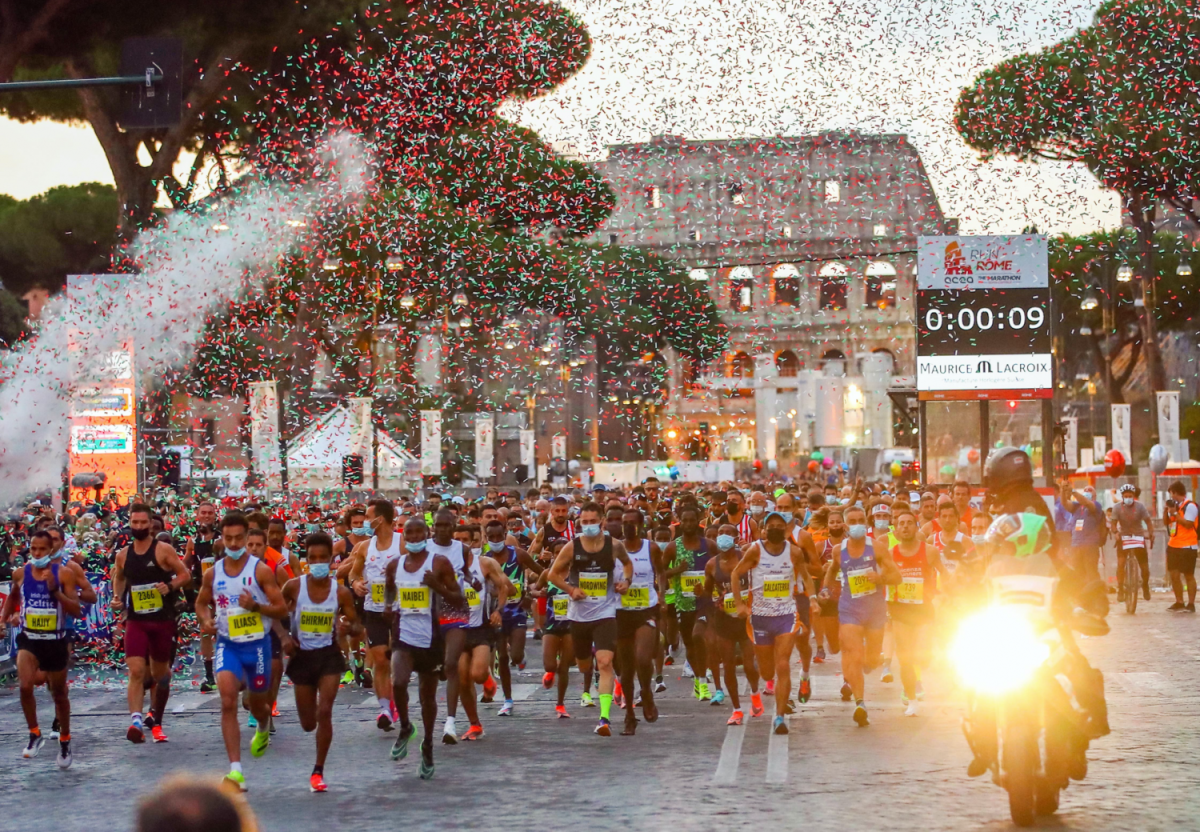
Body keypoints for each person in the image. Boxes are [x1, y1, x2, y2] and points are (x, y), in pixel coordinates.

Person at [194, 512, 289, 792]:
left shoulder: (260, 571)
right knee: (227, 701)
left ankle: (262, 726)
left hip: (257, 645)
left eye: (239, 538)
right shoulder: (214, 572)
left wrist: (256, 608)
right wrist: (205, 620)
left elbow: (282, 608)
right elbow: (201, 603)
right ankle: (236, 771)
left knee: (258, 705)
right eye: (228, 538)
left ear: (247, 538)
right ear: (222, 539)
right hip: (228, 644)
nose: (234, 543)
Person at [280, 532, 361, 792]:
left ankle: (318, 770)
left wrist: (347, 626)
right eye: (312, 558)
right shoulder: (293, 586)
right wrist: (284, 637)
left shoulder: (341, 592)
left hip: (328, 656)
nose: (317, 562)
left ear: (331, 560)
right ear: (306, 560)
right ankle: (313, 720)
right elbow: (275, 614)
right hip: (302, 658)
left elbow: (357, 625)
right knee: (308, 723)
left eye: (322, 558)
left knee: (325, 711)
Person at [385, 517, 463, 779]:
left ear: (427, 535)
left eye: (420, 533)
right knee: (398, 681)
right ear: (403, 536)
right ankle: (406, 726)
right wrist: (388, 606)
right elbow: (388, 590)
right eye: (410, 533)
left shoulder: (439, 564)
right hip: (403, 636)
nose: (415, 537)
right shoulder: (395, 565)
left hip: (431, 639)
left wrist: (436, 586)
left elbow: (459, 600)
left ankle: (428, 743)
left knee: (427, 697)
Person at [547, 501, 633, 736]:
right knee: (584, 664)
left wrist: (626, 582)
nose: (588, 526)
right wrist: (570, 589)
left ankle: (604, 718)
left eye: (592, 522)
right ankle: (593, 666)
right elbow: (552, 574)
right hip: (579, 616)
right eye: (583, 522)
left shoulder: (614, 545)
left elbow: (627, 564)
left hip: (605, 613)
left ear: (602, 522)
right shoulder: (572, 548)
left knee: (605, 663)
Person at [0, 530, 81, 768]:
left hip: (55, 640)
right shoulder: (20, 573)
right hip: (29, 639)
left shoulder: (64, 574)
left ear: (51, 550)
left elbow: (76, 609)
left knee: (59, 694)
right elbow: (13, 598)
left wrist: (55, 591)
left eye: (42, 550)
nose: (37, 554)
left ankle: (65, 739)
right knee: (25, 686)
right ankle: (34, 733)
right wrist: (4, 620)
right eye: (33, 549)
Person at [111, 503, 191, 744]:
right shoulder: (123, 554)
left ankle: (157, 718)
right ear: (129, 524)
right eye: (134, 522)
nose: (139, 526)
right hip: (137, 620)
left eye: (143, 523)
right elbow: (120, 577)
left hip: (161, 621)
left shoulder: (163, 550)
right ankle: (135, 720)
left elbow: (185, 574)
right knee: (136, 671)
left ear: (150, 525)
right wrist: (118, 598)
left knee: (160, 675)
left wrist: (170, 586)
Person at [731, 511, 817, 734]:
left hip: (786, 615)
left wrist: (813, 598)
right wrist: (740, 605)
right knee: (768, 673)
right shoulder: (755, 550)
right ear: (763, 530)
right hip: (760, 616)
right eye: (772, 526)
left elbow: (806, 577)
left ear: (787, 530)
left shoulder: (794, 552)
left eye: (780, 525)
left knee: (783, 664)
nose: (776, 529)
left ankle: (779, 717)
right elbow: (735, 573)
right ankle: (774, 694)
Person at [821, 504, 900, 727]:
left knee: (872, 659)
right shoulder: (839, 550)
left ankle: (871, 661)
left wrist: (881, 579)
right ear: (846, 526)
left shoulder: (876, 548)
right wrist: (825, 591)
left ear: (866, 523)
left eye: (860, 521)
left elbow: (897, 576)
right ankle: (860, 703)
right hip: (850, 608)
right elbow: (830, 571)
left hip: (874, 609)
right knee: (853, 653)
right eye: (852, 522)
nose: (857, 525)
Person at [348, 499, 403, 732]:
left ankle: (398, 703)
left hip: (401, 611)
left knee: (397, 663)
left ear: (380, 519)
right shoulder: (364, 547)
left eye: (369, 518)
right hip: (374, 610)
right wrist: (356, 583)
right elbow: (353, 572)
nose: (367, 522)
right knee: (380, 659)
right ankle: (384, 709)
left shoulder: (403, 543)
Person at [886, 506, 946, 716]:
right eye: (901, 523)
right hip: (900, 610)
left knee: (923, 656)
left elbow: (944, 574)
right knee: (905, 659)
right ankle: (911, 699)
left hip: (923, 610)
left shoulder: (929, 551)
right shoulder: (890, 554)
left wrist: (945, 594)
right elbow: (883, 579)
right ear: (896, 529)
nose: (905, 527)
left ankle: (919, 673)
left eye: (909, 523)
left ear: (915, 526)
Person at [452, 533, 512, 741]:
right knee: (462, 678)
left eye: (467, 538)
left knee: (477, 674)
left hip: (481, 628)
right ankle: (474, 724)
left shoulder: (485, 563)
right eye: (457, 538)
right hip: (457, 629)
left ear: (476, 541)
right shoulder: (445, 563)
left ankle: (487, 680)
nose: (463, 542)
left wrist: (498, 611)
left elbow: (505, 586)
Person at [704, 523, 763, 725]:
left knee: (749, 664)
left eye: (729, 533)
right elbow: (708, 592)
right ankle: (737, 710)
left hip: (747, 617)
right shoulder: (712, 564)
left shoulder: (745, 557)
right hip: (724, 620)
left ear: (737, 538)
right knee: (727, 664)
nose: (724, 536)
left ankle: (755, 693)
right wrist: (710, 598)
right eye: (721, 533)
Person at [483, 519, 542, 716]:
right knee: (503, 656)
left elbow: (540, 573)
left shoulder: (518, 554)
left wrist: (534, 591)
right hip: (497, 614)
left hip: (517, 611)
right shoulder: (485, 559)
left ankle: (521, 656)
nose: (495, 540)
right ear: (486, 537)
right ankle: (507, 700)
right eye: (490, 537)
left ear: (505, 533)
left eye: (498, 536)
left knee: (515, 656)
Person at [615, 507, 661, 734]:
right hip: (621, 612)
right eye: (624, 522)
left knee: (643, 658)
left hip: (646, 609)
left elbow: (660, 572)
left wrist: (662, 594)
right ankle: (630, 716)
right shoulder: (614, 549)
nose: (627, 526)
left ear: (641, 525)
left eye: (632, 523)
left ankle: (646, 692)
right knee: (625, 669)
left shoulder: (650, 548)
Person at [662, 503, 712, 700]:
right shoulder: (674, 547)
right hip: (683, 602)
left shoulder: (708, 545)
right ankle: (700, 680)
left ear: (698, 521)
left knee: (700, 637)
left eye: (692, 520)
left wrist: (710, 587)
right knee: (690, 644)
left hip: (704, 602)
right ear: (680, 522)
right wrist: (676, 571)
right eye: (685, 521)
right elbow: (661, 572)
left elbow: (717, 569)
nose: (689, 524)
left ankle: (704, 681)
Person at [184, 502, 220, 693]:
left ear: (215, 516)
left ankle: (229, 670)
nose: (206, 516)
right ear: (197, 516)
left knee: (223, 630)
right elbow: (185, 565)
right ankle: (209, 676)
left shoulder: (221, 539)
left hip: (222, 590)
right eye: (203, 513)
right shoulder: (193, 541)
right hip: (203, 591)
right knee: (205, 631)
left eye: (210, 513)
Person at [1110, 484, 1153, 603]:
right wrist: (1116, 532)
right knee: (1121, 563)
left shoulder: (1140, 506)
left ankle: (1145, 585)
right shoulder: (1117, 507)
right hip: (1124, 536)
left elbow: (1148, 522)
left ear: (1134, 496)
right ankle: (1120, 589)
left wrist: (1151, 533)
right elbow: (1113, 523)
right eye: (1126, 496)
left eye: (1130, 496)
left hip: (1138, 536)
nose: (1128, 498)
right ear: (1122, 497)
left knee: (1144, 567)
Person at [1060, 483, 1107, 584]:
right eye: (1085, 492)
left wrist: (1073, 491)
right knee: (1077, 574)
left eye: (1090, 493)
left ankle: (1095, 596)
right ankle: (1080, 597)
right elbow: (1064, 503)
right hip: (1076, 545)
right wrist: (1063, 491)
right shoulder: (1076, 506)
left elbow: (1088, 503)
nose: (1087, 494)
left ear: (1094, 497)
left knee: (1091, 573)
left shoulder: (1096, 505)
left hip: (1090, 545)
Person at [1163, 480, 1198, 612]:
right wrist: (1167, 511)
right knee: (1174, 574)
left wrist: (1176, 513)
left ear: (1176, 493)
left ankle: (1191, 603)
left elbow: (1188, 524)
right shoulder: (1174, 508)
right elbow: (1166, 522)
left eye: (1172, 494)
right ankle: (1179, 601)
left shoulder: (1190, 506)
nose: (1171, 497)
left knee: (1188, 575)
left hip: (1188, 546)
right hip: (1174, 545)